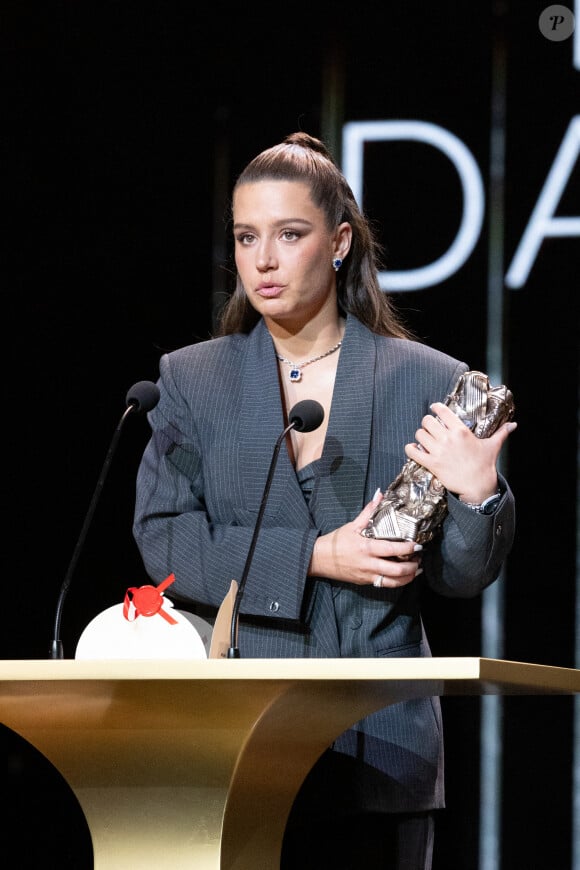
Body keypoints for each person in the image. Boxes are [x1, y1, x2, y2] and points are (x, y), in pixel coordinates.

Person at [132, 131, 517, 869]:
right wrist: (316, 556)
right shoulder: (191, 380)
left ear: (339, 242)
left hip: (383, 748)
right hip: (238, 744)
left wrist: (478, 495)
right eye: (246, 237)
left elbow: (459, 577)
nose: (263, 261)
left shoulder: (425, 379)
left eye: (289, 235)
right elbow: (163, 540)